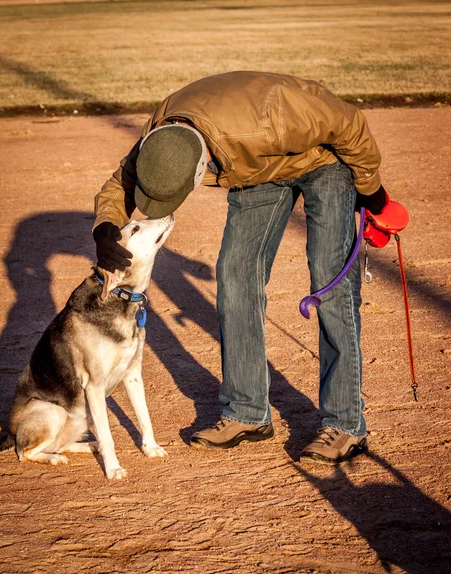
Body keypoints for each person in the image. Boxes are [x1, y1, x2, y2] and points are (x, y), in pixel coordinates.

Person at [93, 71, 401, 463]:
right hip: (257, 171)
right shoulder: (163, 134)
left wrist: (373, 195)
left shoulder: (272, 118)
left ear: (201, 169)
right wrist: (105, 227)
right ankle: (247, 411)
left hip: (324, 160)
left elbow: (349, 124)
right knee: (235, 276)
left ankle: (345, 424)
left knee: (330, 283)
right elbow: (120, 182)